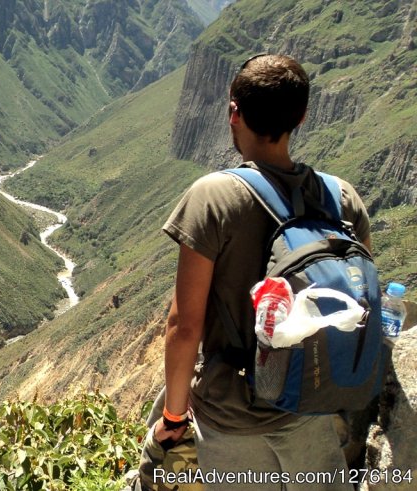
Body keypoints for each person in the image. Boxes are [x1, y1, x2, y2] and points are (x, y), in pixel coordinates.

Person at [156, 54, 370, 490]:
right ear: (303, 116)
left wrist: (174, 415)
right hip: (316, 400)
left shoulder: (212, 197)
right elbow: (359, 299)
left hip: (233, 414)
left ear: (234, 113)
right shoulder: (343, 198)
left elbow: (184, 324)